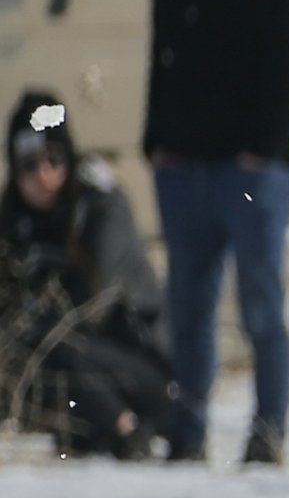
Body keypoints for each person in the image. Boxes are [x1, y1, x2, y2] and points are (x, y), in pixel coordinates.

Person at [123, 0, 289, 466]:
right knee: (188, 305)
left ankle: (268, 432)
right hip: (182, 169)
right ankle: (188, 431)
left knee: (260, 301)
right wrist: (155, 142)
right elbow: (160, 67)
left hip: (252, 170)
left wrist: (262, 146)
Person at [1, 92, 172, 457]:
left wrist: (27, 328)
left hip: (141, 368)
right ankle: (83, 427)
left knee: (55, 342)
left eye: (53, 159)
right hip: (64, 364)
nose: (42, 174)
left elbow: (89, 308)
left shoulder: (99, 206)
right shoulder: (14, 220)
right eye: (28, 165)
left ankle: (125, 429)